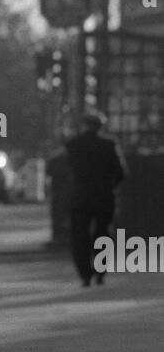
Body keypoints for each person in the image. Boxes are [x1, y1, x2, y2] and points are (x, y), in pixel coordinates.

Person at [65, 111, 126, 287]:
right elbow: (121, 172)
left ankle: (85, 274)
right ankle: (100, 271)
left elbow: (64, 171)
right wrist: (110, 185)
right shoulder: (109, 145)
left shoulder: (73, 145)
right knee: (103, 234)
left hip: (80, 197)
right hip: (104, 196)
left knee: (79, 237)